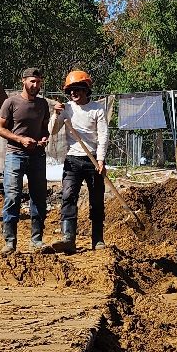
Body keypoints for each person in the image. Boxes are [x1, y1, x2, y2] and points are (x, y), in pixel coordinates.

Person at [0, 67, 52, 253]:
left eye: (38, 82)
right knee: (12, 196)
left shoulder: (43, 104)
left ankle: (36, 240)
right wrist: (20, 139)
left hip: (37, 156)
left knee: (38, 197)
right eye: (32, 81)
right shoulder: (11, 102)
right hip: (15, 155)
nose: (35, 85)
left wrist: (44, 138)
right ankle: (9, 241)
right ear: (23, 81)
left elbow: (45, 128)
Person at [52, 68, 107, 252]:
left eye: (77, 89)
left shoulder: (97, 109)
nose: (73, 93)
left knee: (96, 200)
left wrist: (101, 160)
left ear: (86, 90)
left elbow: (103, 136)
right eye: (70, 90)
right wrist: (56, 115)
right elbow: (53, 130)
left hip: (93, 160)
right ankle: (68, 238)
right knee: (68, 196)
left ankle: (97, 239)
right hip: (73, 160)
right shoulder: (66, 109)